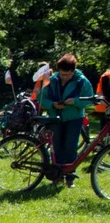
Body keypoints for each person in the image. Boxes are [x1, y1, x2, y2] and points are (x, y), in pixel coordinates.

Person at [38, 53, 95, 187]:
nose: (63, 77)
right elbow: (41, 98)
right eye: (61, 74)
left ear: (73, 71)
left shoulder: (82, 81)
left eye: (67, 74)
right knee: (56, 146)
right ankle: (56, 176)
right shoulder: (52, 80)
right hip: (55, 117)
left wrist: (74, 101)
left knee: (70, 146)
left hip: (74, 118)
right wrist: (52, 104)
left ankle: (70, 177)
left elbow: (90, 99)